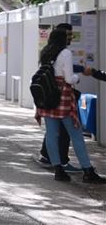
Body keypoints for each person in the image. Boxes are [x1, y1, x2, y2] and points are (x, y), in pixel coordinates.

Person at [35, 29, 105, 183]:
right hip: (63, 97)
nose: (70, 38)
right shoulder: (65, 53)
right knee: (76, 135)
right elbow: (68, 78)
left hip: (48, 97)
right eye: (68, 36)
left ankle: (58, 170)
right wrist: (77, 79)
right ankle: (88, 171)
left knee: (52, 135)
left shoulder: (46, 52)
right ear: (62, 38)